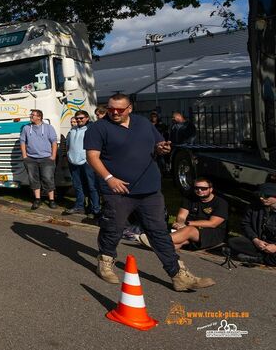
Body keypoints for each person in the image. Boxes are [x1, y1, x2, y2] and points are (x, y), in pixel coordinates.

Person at [84, 93, 215, 291]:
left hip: (149, 189)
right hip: (118, 189)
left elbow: (158, 145)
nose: (114, 113)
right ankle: (105, 260)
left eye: (119, 109)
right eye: (111, 109)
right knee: (114, 227)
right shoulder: (99, 127)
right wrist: (109, 179)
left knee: (159, 232)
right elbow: (92, 157)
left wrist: (162, 148)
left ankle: (178, 275)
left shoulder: (143, 123)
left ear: (130, 108)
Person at [137, 177, 228, 250]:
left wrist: (187, 224)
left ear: (211, 189)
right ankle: (160, 247)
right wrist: (180, 223)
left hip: (212, 233)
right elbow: (181, 215)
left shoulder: (220, 203)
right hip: (188, 230)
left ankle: (158, 241)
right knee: (181, 242)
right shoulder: (190, 198)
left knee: (189, 230)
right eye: (196, 188)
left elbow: (213, 223)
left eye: (203, 188)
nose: (200, 190)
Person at [62, 110, 101, 219]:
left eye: (81, 118)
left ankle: (95, 209)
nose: (79, 120)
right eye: (77, 118)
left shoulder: (92, 129)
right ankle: (80, 206)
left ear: (87, 118)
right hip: (73, 162)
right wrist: (68, 156)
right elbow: (69, 144)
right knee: (78, 186)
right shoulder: (72, 129)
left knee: (92, 186)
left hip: (88, 162)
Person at [227, 183, 276, 266]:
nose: (262, 198)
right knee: (233, 242)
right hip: (261, 243)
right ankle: (265, 256)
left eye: (266, 196)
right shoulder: (254, 207)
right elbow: (245, 224)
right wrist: (255, 240)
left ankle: (260, 259)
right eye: (260, 195)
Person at [20, 109, 58, 210]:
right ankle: (37, 199)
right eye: (31, 115)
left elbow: (54, 142)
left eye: (33, 115)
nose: (31, 116)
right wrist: (25, 156)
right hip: (31, 159)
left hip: (46, 158)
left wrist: (53, 156)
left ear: (39, 117)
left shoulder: (48, 128)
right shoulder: (26, 128)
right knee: (33, 179)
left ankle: (51, 200)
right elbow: (23, 142)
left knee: (48, 178)